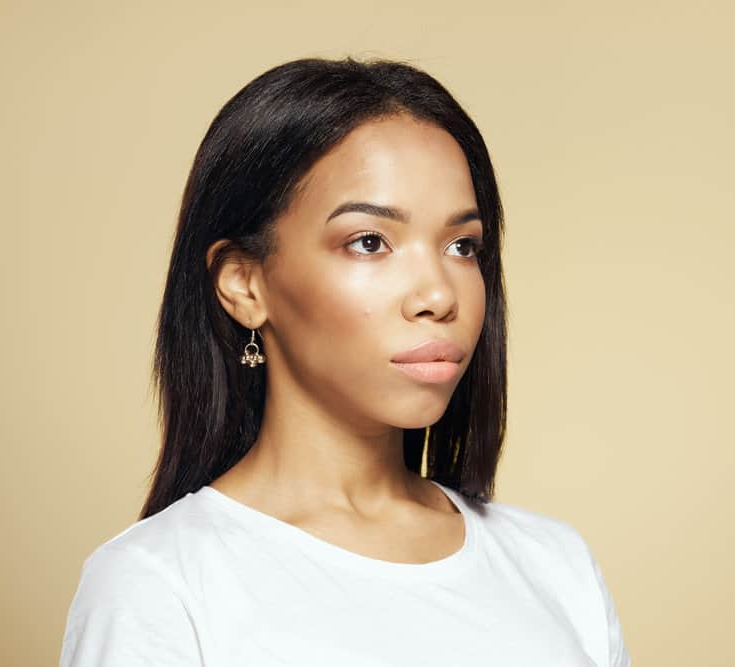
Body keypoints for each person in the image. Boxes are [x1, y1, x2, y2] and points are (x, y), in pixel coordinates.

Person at [58, 56, 631, 666]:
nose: (439, 294)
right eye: (369, 242)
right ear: (245, 285)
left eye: (463, 246)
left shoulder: (556, 566)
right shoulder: (159, 587)